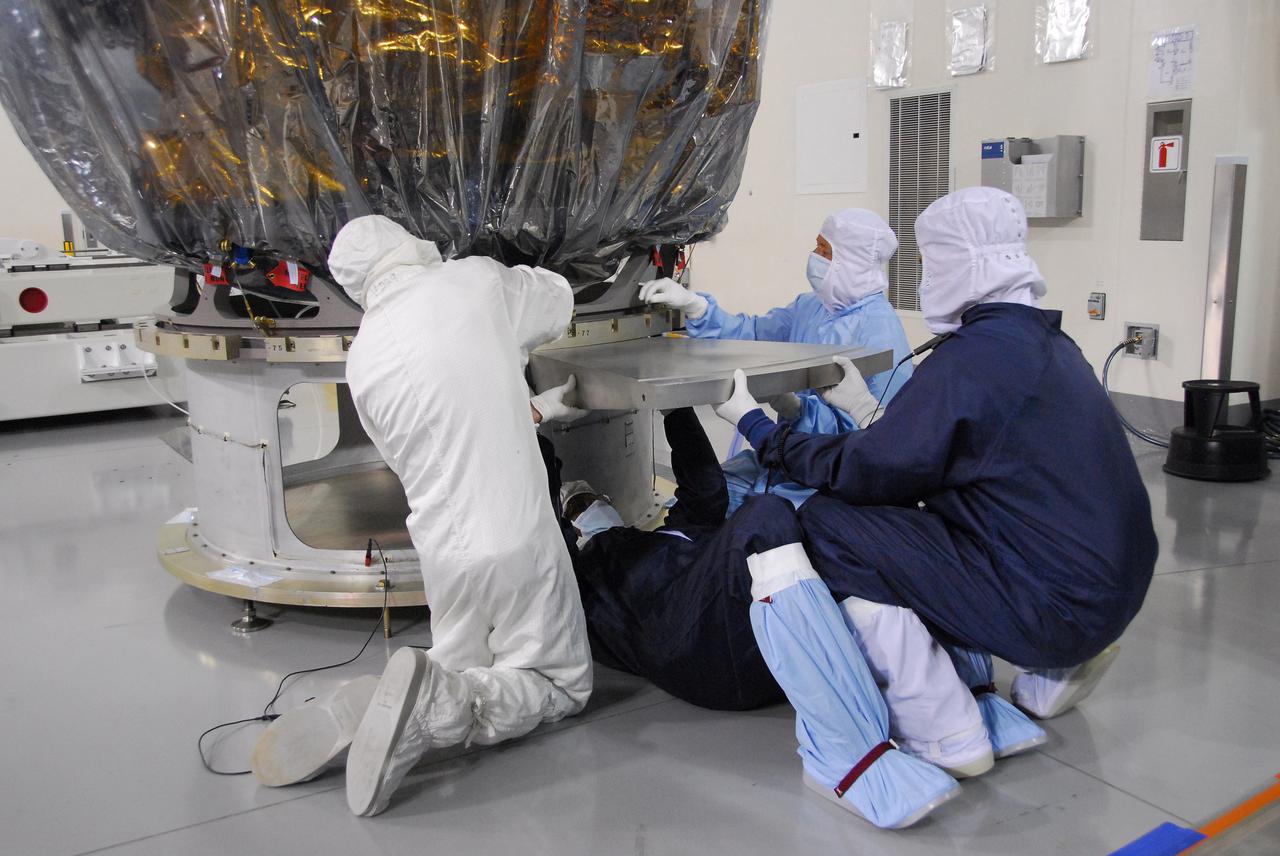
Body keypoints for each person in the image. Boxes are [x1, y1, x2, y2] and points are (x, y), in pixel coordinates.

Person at [713, 188, 1158, 780]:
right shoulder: (1046, 345)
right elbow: (941, 456)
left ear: (960, 264)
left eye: (931, 263)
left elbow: (867, 474)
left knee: (827, 524)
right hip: (1111, 587)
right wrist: (867, 413)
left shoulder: (976, 360)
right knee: (923, 524)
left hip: (1057, 607)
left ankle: (944, 727)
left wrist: (762, 430)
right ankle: (1053, 675)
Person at [251, 215, 595, 817]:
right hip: (513, 533)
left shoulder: (364, 359)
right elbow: (556, 300)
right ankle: (440, 707)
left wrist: (533, 410)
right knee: (557, 681)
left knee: (462, 657)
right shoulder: (471, 282)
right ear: (406, 241)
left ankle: (388, 700)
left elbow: (435, 438)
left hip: (442, 550)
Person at [639, 208, 914, 513]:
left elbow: (869, 443)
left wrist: (796, 409)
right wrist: (696, 307)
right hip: (779, 457)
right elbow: (754, 334)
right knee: (689, 503)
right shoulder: (813, 306)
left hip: (823, 485)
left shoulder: (880, 333)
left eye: (824, 250)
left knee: (714, 514)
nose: (814, 256)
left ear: (852, 262)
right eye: (816, 246)